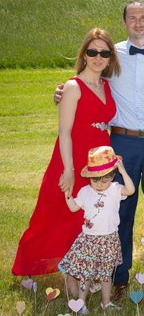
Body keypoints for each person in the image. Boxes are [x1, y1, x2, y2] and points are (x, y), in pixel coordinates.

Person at [55, 0, 144, 301]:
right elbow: (85, 82)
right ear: (125, 22)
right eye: (132, 17)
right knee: (120, 210)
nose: (139, 22)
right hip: (121, 143)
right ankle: (118, 276)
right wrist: (61, 91)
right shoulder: (110, 55)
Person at [13, 28, 119, 276]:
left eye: (104, 52)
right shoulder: (73, 87)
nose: (98, 57)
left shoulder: (106, 85)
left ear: (110, 57)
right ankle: (34, 261)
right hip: (73, 155)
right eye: (92, 51)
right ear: (84, 55)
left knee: (89, 212)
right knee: (57, 212)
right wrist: (69, 170)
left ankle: (83, 269)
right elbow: (64, 131)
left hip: (98, 159)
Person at [59, 146, 135, 314]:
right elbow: (73, 207)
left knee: (106, 275)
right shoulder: (85, 191)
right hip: (89, 241)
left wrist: (122, 170)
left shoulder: (115, 189)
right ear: (90, 178)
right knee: (86, 275)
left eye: (104, 180)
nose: (100, 185)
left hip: (109, 240)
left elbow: (131, 190)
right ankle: (81, 304)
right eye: (95, 180)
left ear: (112, 175)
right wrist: (67, 193)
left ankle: (106, 303)